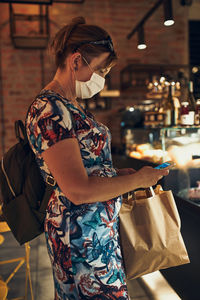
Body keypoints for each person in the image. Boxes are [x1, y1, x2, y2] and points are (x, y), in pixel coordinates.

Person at [26, 16, 169, 300]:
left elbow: (87, 169)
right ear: (76, 61)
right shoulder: (50, 109)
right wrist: (140, 179)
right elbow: (78, 190)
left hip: (95, 233)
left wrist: (119, 176)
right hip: (80, 238)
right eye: (101, 69)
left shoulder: (68, 105)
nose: (102, 78)